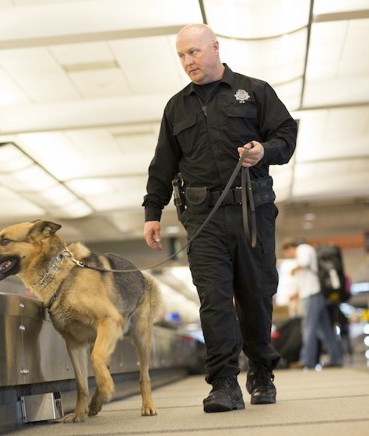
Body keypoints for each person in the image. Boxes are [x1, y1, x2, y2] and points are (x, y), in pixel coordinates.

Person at [142, 24, 297, 413]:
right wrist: (152, 211)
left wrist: (265, 150)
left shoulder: (254, 91)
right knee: (213, 299)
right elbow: (163, 163)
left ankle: (261, 371)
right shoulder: (176, 107)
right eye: (181, 56)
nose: (188, 61)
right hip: (203, 218)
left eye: (193, 52)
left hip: (252, 212)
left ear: (215, 48)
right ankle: (224, 383)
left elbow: (286, 134)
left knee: (256, 296)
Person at [281, 239, 343, 369]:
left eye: (286, 253)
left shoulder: (303, 248)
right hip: (313, 294)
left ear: (290, 247)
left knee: (308, 327)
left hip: (312, 295)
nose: (288, 255)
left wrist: (293, 270)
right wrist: (296, 294)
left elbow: (304, 264)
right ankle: (336, 358)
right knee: (325, 330)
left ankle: (306, 360)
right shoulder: (303, 252)